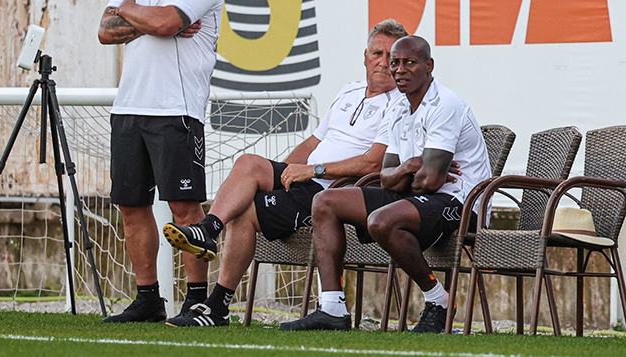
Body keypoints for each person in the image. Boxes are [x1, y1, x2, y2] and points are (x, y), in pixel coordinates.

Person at [162, 19, 409, 327]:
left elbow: (373, 164)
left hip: (332, 192)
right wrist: (286, 175)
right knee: (249, 163)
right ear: (365, 56)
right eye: (377, 54)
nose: (383, 63)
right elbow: (313, 142)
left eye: (391, 57)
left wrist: (312, 170)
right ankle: (209, 229)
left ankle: (218, 306)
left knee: (245, 212)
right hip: (308, 180)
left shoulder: (398, 105)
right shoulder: (350, 91)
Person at [280, 35, 491, 333]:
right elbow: (389, 176)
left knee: (381, 220)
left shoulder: (445, 104)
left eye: (410, 62)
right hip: (417, 198)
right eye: (395, 63)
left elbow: (430, 182)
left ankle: (438, 299)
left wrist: (410, 175)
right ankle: (332, 308)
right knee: (325, 202)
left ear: (429, 66)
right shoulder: (398, 108)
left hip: (461, 201)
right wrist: (411, 166)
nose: (400, 69)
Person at [97, 0, 224, 323]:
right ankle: (148, 299)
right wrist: (149, 17)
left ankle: (198, 299)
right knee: (131, 207)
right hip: (129, 107)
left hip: (177, 110)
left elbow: (167, 23)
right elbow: (105, 30)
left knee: (184, 208)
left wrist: (130, 10)